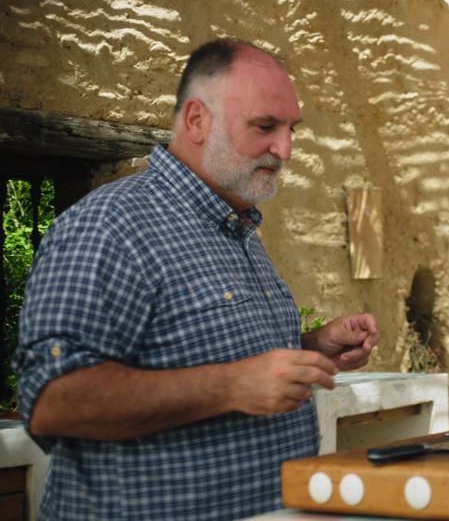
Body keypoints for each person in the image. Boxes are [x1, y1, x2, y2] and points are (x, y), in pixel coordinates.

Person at [14, 38, 379, 519]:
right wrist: (232, 385)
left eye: (292, 128)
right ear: (196, 120)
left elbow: (214, 359)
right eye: (265, 126)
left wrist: (310, 349)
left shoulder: (237, 226)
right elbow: (51, 401)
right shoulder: (109, 225)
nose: (285, 148)